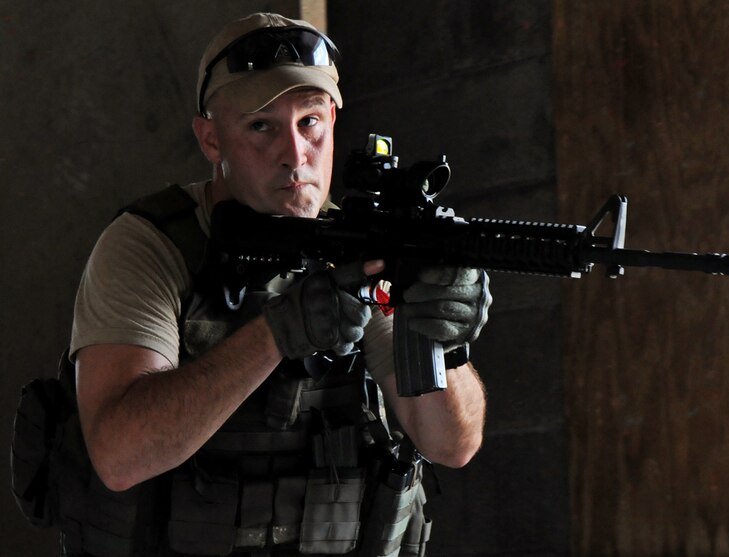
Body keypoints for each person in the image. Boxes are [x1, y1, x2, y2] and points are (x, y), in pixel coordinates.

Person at [67, 11, 490, 557]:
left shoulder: (357, 249)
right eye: (261, 126)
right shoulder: (154, 246)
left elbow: (451, 445)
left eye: (310, 121)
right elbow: (119, 456)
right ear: (211, 139)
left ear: (333, 119)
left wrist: (441, 341)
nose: (295, 155)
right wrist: (276, 334)